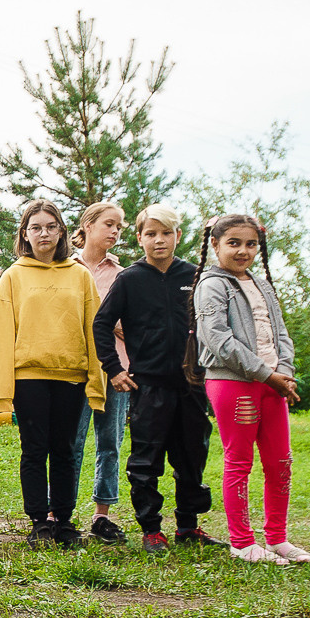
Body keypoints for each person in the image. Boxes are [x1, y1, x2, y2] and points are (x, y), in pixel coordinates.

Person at [92, 204, 216, 551]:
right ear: (139, 238)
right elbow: (101, 324)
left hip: (192, 384)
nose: (158, 241)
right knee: (145, 462)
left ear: (178, 236)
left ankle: (188, 527)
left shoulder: (195, 276)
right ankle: (151, 529)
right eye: (151, 234)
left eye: (165, 233)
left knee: (192, 456)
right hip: (148, 386)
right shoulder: (129, 279)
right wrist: (114, 369)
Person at [193, 213, 310, 565]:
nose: (243, 251)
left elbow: (281, 334)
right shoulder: (211, 285)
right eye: (233, 243)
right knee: (239, 461)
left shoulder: (262, 285)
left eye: (250, 244)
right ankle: (242, 542)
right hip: (234, 383)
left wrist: (284, 372)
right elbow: (216, 338)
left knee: (280, 462)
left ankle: (277, 538)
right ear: (215, 245)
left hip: (273, 383)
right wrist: (264, 373)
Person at [0, 200, 109, 547]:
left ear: (61, 231)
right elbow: (4, 338)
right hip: (29, 377)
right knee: (34, 449)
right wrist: (3, 395)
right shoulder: (13, 276)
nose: (44, 234)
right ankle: (40, 521)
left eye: (50, 226)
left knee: (65, 450)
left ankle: (64, 520)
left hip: (71, 376)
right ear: (24, 235)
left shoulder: (80, 275)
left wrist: (95, 381)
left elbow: (93, 328)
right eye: (36, 228)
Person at [67, 202, 132, 545]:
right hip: (74, 367)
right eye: (109, 224)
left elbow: (131, 323)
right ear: (88, 225)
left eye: (119, 227)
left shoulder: (122, 275)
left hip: (116, 369)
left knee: (110, 442)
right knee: (70, 443)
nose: (115, 231)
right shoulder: (64, 268)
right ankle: (59, 513)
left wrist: (116, 326)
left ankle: (102, 516)